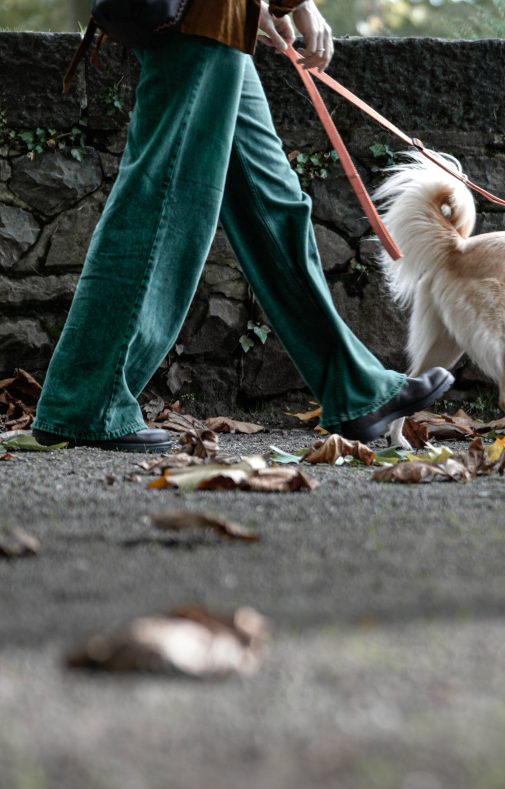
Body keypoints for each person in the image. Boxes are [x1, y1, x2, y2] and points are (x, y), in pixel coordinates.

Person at [32, 0, 451, 453]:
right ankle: (85, 405)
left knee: (276, 209)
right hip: (196, 22)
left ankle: (357, 391)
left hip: (221, 20)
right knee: (158, 207)